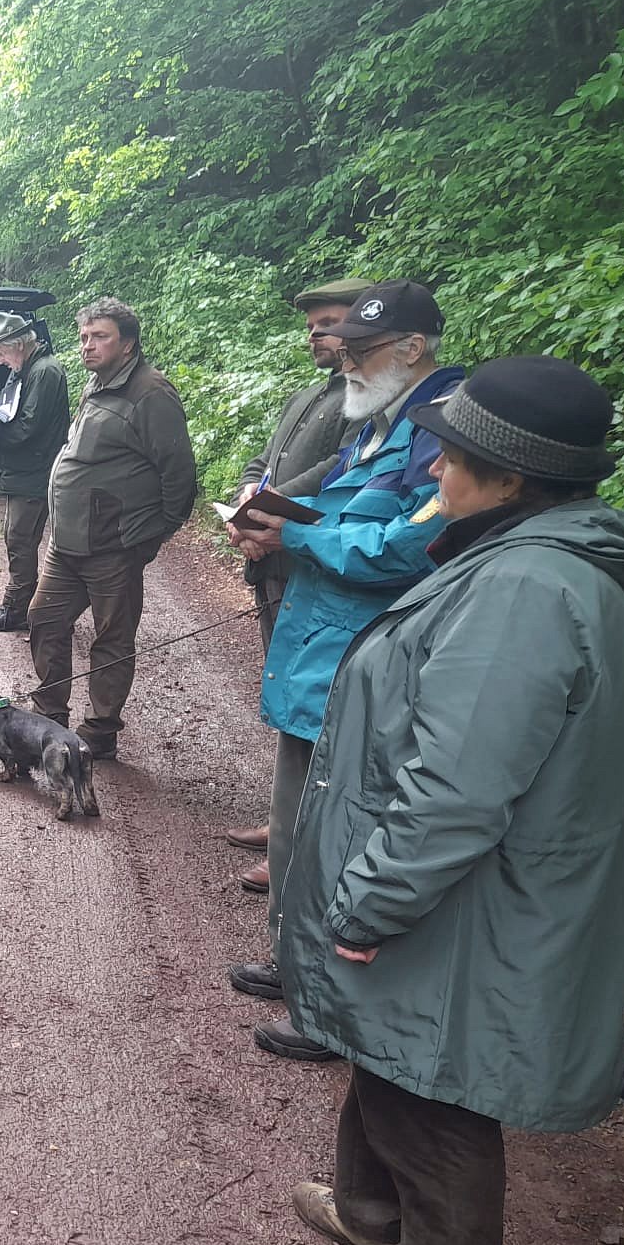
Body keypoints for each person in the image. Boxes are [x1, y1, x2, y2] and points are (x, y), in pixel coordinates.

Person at [274, 357, 624, 1245]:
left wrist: (368, 902)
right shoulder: (530, 559)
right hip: (472, 888)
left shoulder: (526, 588)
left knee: (433, 1083)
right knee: (390, 1047)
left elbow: (455, 792)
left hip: (472, 897)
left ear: (513, 478)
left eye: (453, 455)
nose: (434, 466)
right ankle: (370, 1214)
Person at [223, 280, 460, 1064]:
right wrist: (274, 520)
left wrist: (293, 538)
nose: (345, 362)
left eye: (360, 349)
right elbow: (344, 511)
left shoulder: (442, 429)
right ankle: (294, 963)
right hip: (321, 650)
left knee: (345, 830)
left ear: (413, 348)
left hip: (368, 658)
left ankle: (329, 1006)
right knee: (298, 817)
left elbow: (406, 547)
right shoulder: (377, 418)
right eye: (343, 349)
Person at [218, 278, 369, 876]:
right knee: (287, 698)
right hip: (275, 559)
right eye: (311, 326)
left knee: (314, 704)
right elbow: (265, 460)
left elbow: (338, 471)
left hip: (313, 563)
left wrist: (267, 507)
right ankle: (285, 819)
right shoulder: (309, 395)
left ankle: (300, 845)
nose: (316, 335)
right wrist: (247, 495)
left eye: (328, 324)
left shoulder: (370, 403)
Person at [27, 296, 196, 760]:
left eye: (99, 336)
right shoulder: (97, 382)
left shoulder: (151, 393)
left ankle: (99, 731)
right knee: (44, 620)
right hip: (67, 543)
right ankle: (49, 717)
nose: (87, 345)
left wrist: (156, 532)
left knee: (112, 639)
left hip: (114, 545)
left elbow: (179, 472)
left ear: (128, 344)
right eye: (84, 337)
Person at [0, 310, 73, 633]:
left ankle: (18, 610)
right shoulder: (28, 369)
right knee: (18, 538)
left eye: (1, 352)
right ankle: (31, 607)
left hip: (35, 472)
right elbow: (19, 408)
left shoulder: (44, 372)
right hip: (25, 471)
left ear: (18, 344)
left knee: (20, 539)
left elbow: (28, 427)